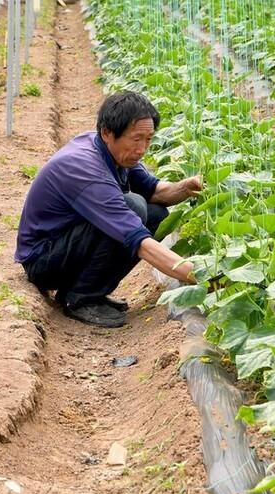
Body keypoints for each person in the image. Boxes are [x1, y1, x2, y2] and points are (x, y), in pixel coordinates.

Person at [15, 91, 202, 327]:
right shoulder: (85, 168)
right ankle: (81, 298)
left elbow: (154, 191)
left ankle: (91, 290)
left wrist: (186, 188)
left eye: (148, 139)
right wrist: (200, 275)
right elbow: (137, 239)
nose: (142, 148)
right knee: (133, 208)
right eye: (136, 139)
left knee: (156, 215)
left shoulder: (112, 152)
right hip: (44, 259)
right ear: (107, 133)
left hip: (68, 243)